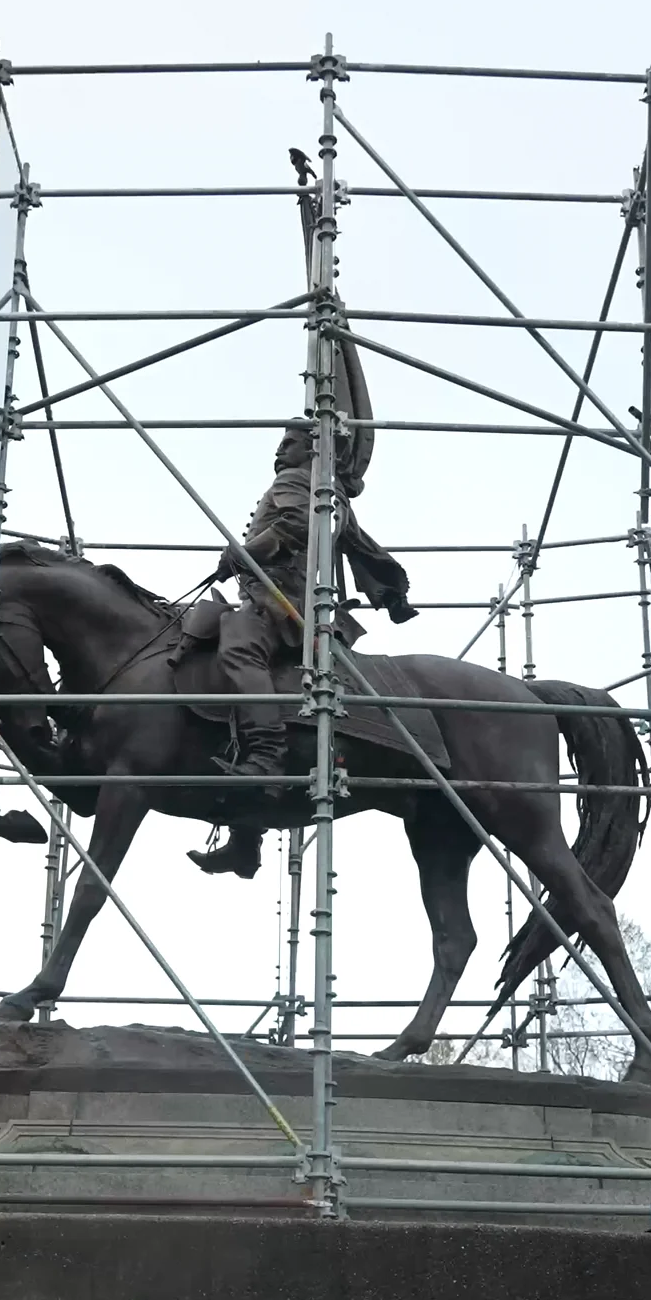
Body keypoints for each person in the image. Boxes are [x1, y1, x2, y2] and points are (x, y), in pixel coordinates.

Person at [187, 149, 415, 874]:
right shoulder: (313, 479)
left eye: (290, 434)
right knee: (200, 656)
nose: (282, 438)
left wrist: (239, 549)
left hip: (286, 604)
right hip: (279, 592)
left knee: (235, 652)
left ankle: (259, 761)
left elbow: (287, 530)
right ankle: (247, 833)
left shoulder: (302, 479)